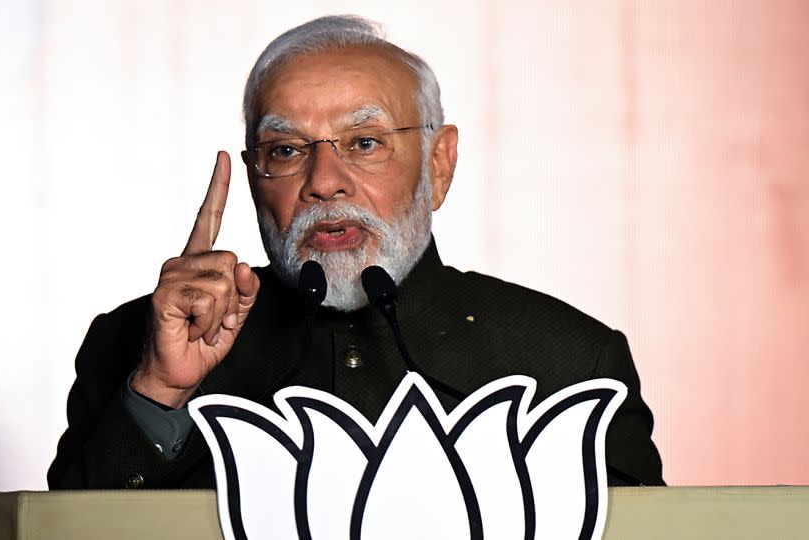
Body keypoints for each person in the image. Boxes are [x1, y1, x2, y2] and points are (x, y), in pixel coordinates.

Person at [48, 15, 664, 490]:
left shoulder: (571, 363)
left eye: (364, 142)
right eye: (286, 150)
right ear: (255, 176)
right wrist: (158, 392)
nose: (323, 181)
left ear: (440, 164)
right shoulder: (131, 346)